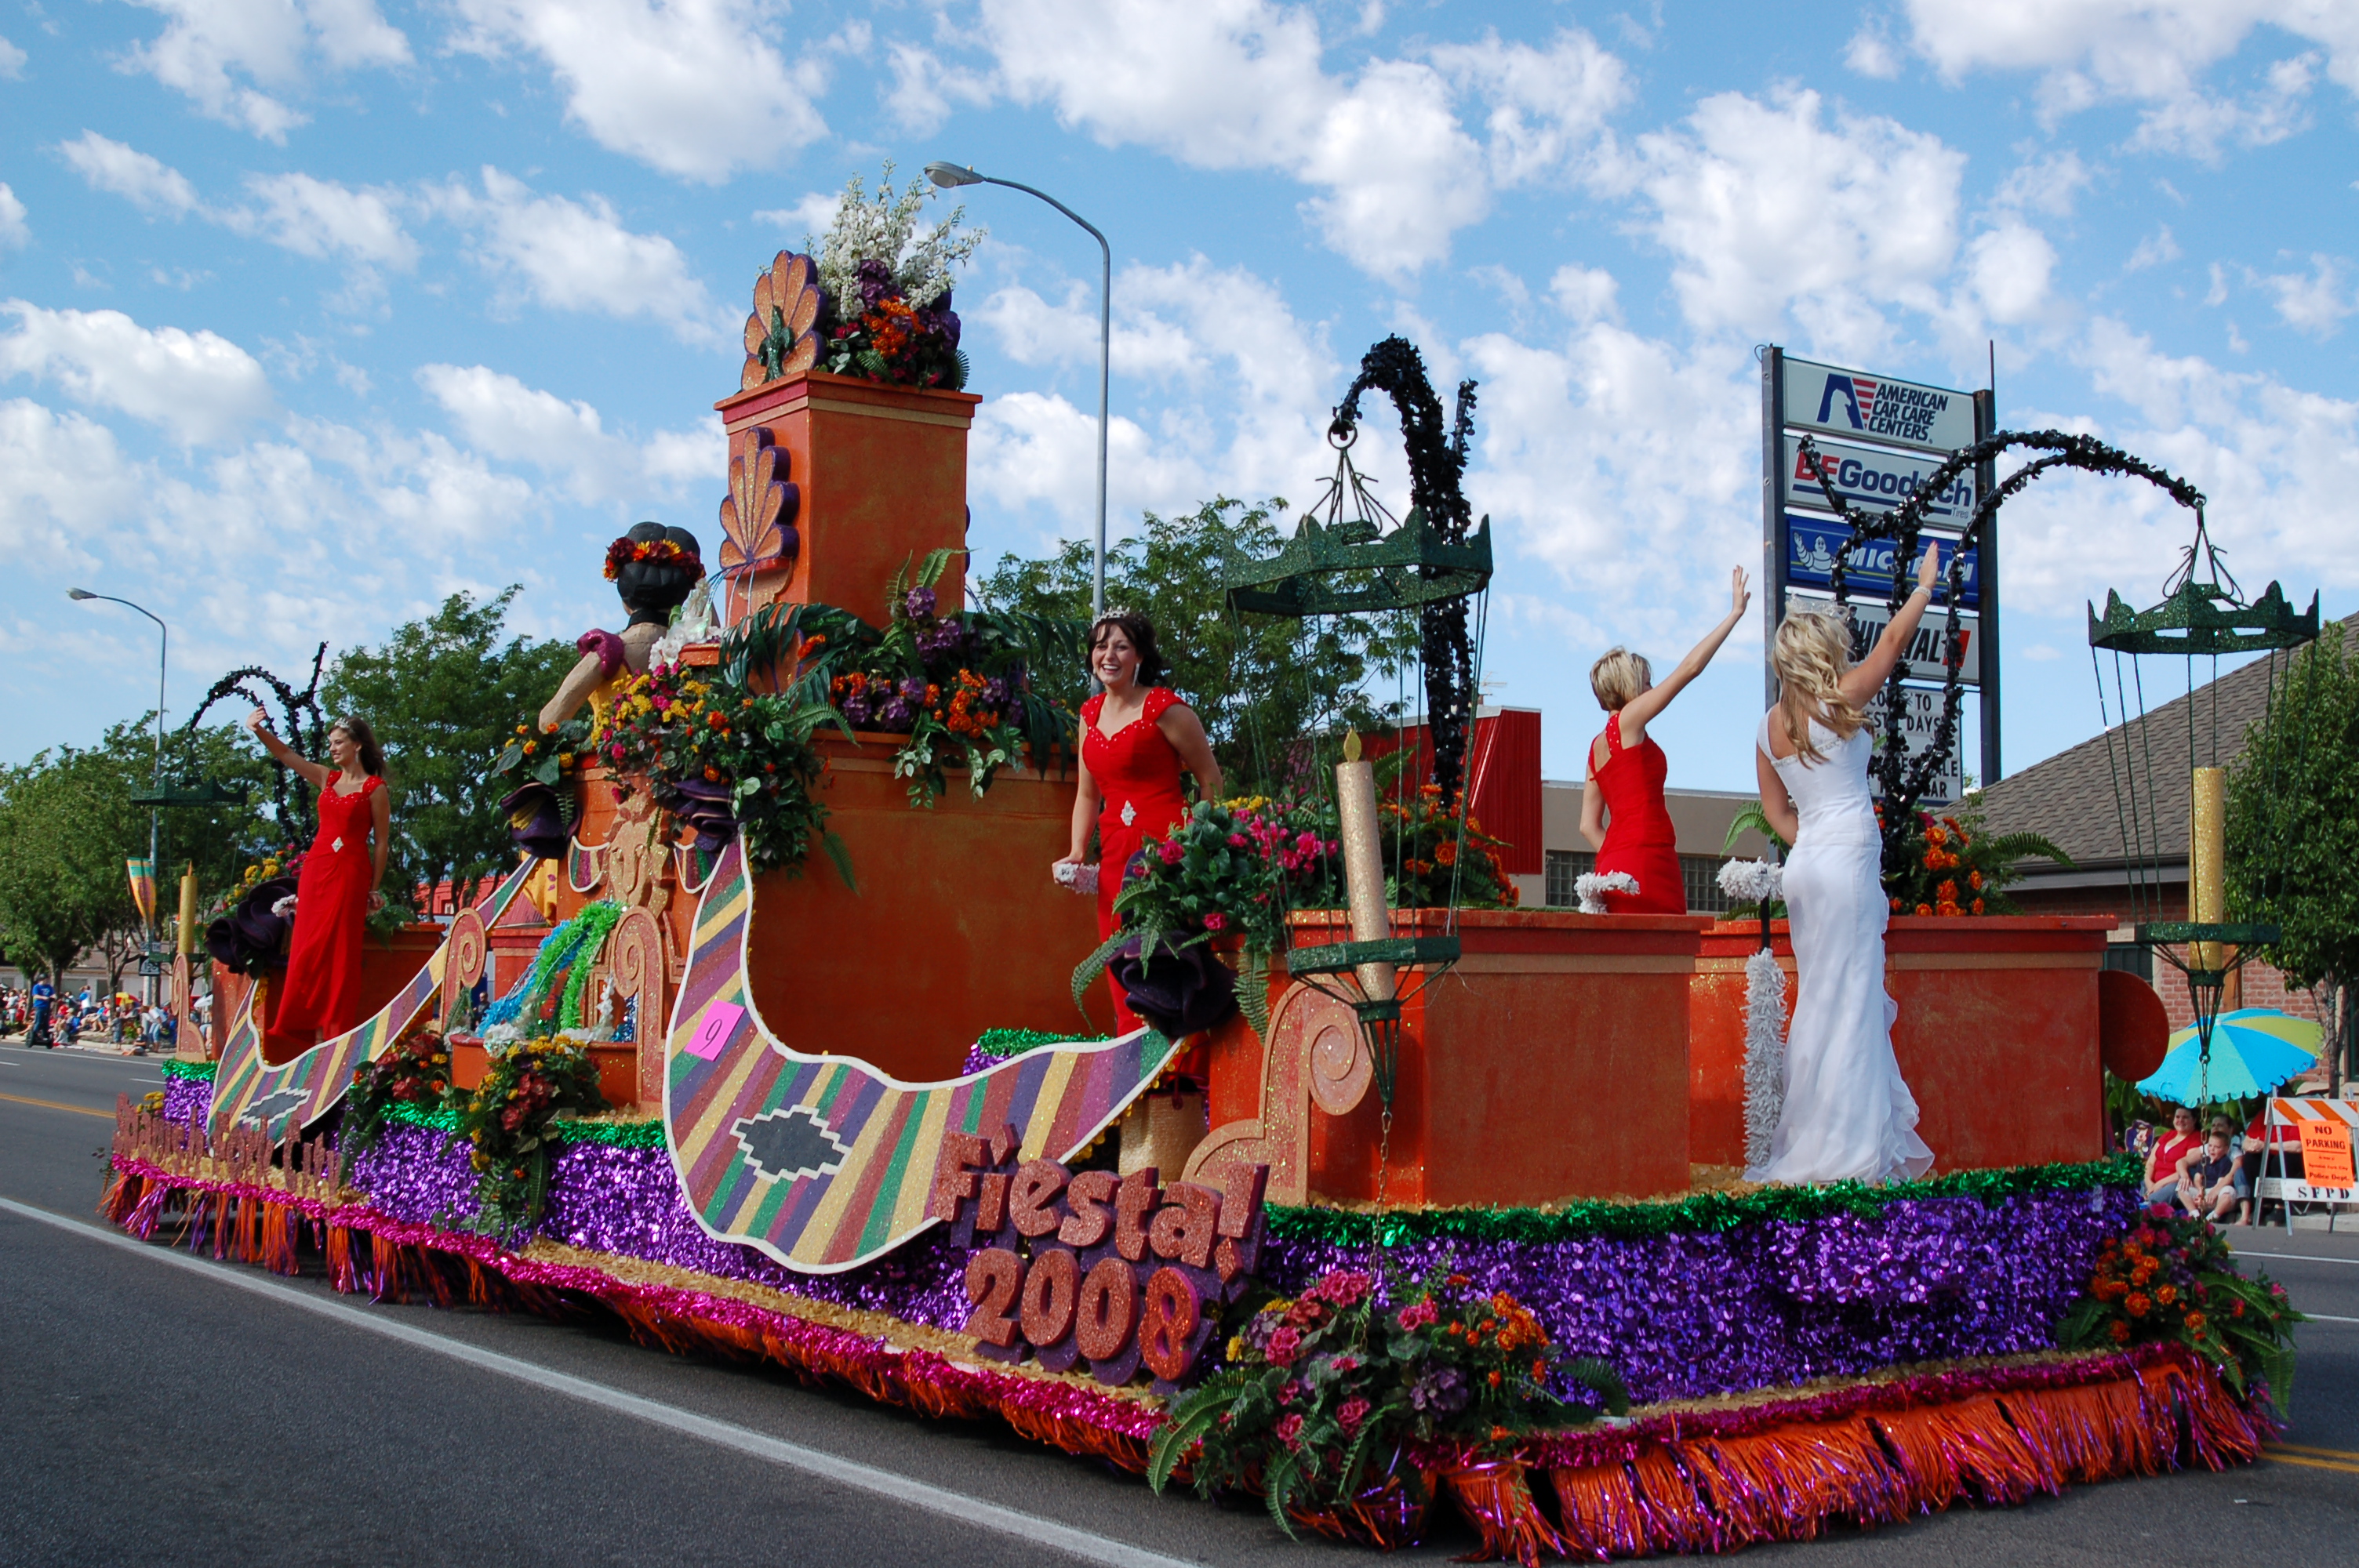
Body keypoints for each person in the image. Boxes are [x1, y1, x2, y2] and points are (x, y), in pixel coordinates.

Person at [1746, 542, 1943, 1186]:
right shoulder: (1839, 700)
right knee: (1851, 1001)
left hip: (1808, 867)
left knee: (1821, 1002)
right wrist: (1923, 586)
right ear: (1820, 653)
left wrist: (1815, 838)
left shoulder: (1768, 726)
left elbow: (1776, 812)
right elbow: (1891, 640)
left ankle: (1814, 1138)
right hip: (1849, 861)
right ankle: (1851, 1152)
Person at [1051, 612, 1222, 1033]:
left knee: (1169, 959)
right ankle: (1139, 1081)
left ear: (1140, 655)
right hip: (1114, 860)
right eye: (1100, 645)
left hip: (1166, 853)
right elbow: (1088, 794)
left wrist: (1200, 846)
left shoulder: (1165, 707)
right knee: (1120, 961)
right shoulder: (1088, 715)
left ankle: (1185, 1080)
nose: (1108, 655)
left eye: (1121, 646)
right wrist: (1077, 851)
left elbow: (1211, 779)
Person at [1581, 568, 1754, 913]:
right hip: (1649, 855)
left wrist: (1617, 857)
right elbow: (1689, 669)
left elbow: (1587, 826)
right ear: (1628, 687)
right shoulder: (1629, 721)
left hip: (1616, 859)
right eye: (1645, 682)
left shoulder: (1596, 748)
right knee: (1669, 954)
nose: (1650, 690)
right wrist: (1733, 615)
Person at [246, 709, 392, 1044]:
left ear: (357, 746)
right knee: (307, 947)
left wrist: (374, 888)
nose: (332, 749)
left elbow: (382, 843)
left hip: (351, 872)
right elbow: (285, 754)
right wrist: (258, 730)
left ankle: (335, 1033)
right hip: (318, 869)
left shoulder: (375, 788)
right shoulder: (326, 778)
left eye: (339, 742)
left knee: (341, 950)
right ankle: (302, 1026)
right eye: (330, 744)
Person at [538, 523, 706, 731]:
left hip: (611, 760)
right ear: (683, 596)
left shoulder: (609, 650)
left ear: (625, 597)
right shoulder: (696, 652)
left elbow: (550, 721)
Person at [2174, 1124, 2241, 1221]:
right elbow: (2197, 1178)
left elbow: (2221, 1182)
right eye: (2210, 1146)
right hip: (2203, 1192)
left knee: (2228, 1191)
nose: (2212, 1149)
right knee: (2181, 1187)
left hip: (2216, 1193)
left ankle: (2214, 1216)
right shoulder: (2204, 1160)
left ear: (2226, 1150)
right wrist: (2200, 1191)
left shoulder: (2225, 1161)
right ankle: (2195, 1215)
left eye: (2217, 1147)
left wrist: (2211, 1194)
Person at [2144, 1105, 2203, 1204]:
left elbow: (2187, 1169)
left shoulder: (2196, 1139)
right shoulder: (2167, 1135)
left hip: (2173, 1184)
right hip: (2152, 1184)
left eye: (2185, 1117)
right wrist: (2149, 1183)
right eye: (2178, 1117)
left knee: (2149, 1204)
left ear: (2194, 1120)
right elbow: (2150, 1164)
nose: (2180, 1120)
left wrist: (2159, 1184)